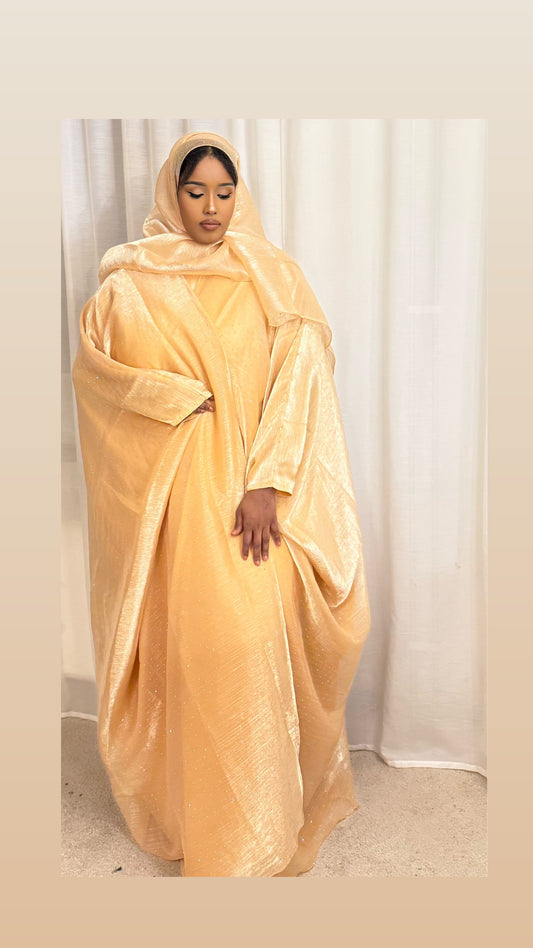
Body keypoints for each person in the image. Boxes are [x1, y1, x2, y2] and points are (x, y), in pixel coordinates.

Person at [72, 130, 371, 877]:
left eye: (224, 192)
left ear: (241, 195)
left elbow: (301, 381)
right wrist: (167, 398)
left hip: (249, 493)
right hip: (173, 495)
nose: (211, 207)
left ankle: (259, 820)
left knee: (248, 638)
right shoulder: (127, 285)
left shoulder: (272, 278)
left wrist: (269, 482)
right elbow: (98, 376)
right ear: (170, 195)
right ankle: (194, 812)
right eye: (195, 191)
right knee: (195, 645)